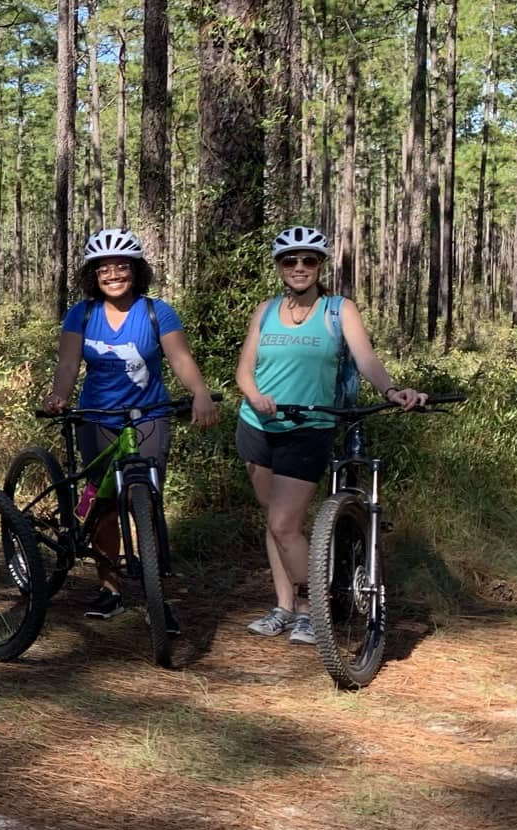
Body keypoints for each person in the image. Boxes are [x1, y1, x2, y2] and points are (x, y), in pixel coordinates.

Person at [235, 225, 426, 645]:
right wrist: (256, 396)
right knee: (276, 522)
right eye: (290, 260)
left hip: (310, 426)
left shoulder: (339, 309)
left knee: (286, 524)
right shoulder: (265, 310)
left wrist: (392, 390)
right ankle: (284, 606)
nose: (299, 267)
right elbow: (244, 371)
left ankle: (310, 607)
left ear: (321, 265)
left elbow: (366, 358)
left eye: (309, 260)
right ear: (279, 266)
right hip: (257, 425)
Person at [42, 228, 220, 622]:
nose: (113, 274)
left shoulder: (157, 311)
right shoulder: (82, 313)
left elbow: (180, 359)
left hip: (148, 416)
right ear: (93, 275)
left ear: (135, 270)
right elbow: (69, 364)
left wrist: (200, 393)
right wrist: (59, 396)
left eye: (121, 266)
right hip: (97, 418)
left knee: (146, 500)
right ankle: (109, 587)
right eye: (104, 268)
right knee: (105, 506)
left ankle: (157, 598)